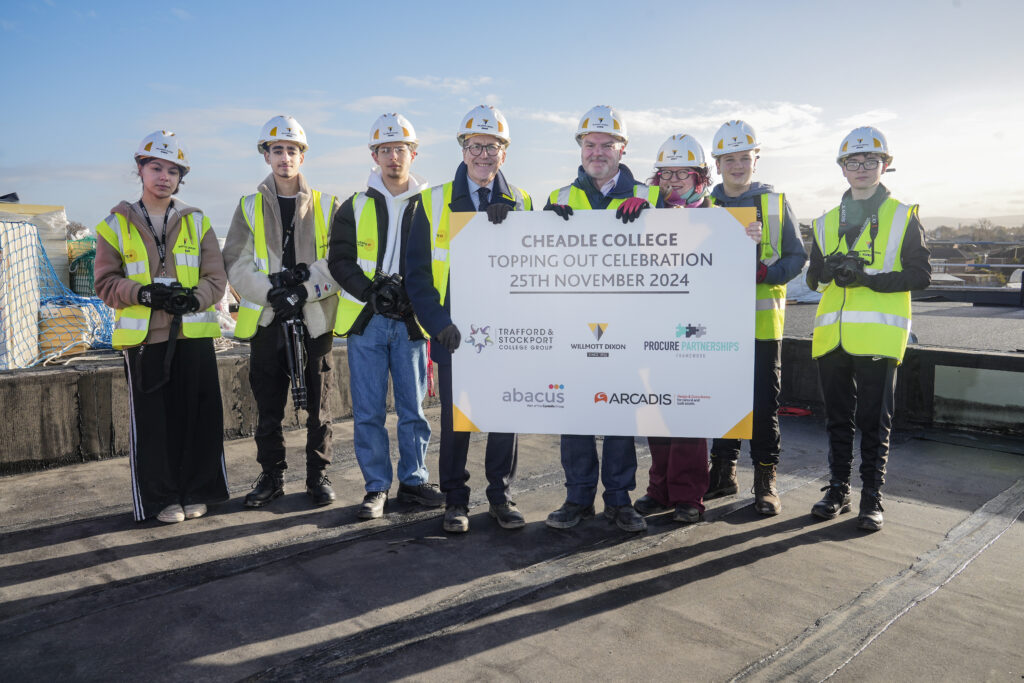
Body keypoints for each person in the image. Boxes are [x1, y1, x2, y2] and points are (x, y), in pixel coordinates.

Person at [405, 105, 532, 534]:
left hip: (508, 333)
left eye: (492, 147)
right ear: (463, 151)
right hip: (454, 334)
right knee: (457, 424)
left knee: (503, 420)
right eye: (475, 146)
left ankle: (501, 497)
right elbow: (418, 277)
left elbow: (539, 262)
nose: (483, 155)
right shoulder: (431, 201)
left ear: (504, 154)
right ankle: (455, 501)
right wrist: (438, 323)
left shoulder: (524, 201)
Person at [94, 130, 229, 524]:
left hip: (194, 335)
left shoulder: (197, 220)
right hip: (144, 341)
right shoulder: (114, 225)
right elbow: (105, 282)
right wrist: (143, 294)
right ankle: (162, 499)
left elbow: (215, 277)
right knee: (154, 424)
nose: (164, 176)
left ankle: (198, 491)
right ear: (140, 169)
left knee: (199, 418)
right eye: (156, 167)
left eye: (172, 170)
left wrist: (194, 299)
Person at [806, 126, 930, 531]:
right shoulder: (825, 221)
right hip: (832, 335)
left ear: (885, 166)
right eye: (853, 162)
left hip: (877, 334)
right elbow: (814, 282)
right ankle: (838, 489)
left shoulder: (903, 215)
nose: (861, 168)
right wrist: (826, 269)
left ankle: (872, 498)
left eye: (870, 161)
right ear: (842, 168)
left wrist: (869, 278)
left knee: (875, 421)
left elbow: (921, 275)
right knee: (837, 419)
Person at [542, 105, 659, 533]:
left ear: (622, 148)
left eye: (607, 144)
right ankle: (577, 498)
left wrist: (652, 221)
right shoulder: (558, 198)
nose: (598, 152)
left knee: (619, 417)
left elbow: (683, 246)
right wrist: (542, 228)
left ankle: (618, 498)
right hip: (574, 322)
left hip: (628, 325)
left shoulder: (650, 197)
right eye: (589, 144)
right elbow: (539, 262)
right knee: (575, 414)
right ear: (580, 148)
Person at [327, 113, 443, 520]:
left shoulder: (432, 205)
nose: (394, 157)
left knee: (413, 409)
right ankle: (376, 487)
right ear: (374, 155)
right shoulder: (353, 206)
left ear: (414, 153)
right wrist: (371, 292)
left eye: (401, 149)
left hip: (412, 321)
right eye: (385, 149)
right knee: (370, 411)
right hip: (367, 322)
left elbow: (439, 262)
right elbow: (339, 260)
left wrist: (415, 298)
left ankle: (413, 480)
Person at [222, 115, 340, 509]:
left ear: (302, 156)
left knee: (319, 406)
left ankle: (317, 475)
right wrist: (274, 293)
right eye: (277, 150)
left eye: (292, 150)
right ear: (266, 156)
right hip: (269, 320)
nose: (285, 157)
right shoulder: (249, 206)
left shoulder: (327, 204)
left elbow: (338, 260)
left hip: (314, 320)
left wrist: (304, 292)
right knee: (269, 407)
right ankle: (271, 476)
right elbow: (236, 261)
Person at [706, 120, 807, 515]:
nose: (737, 165)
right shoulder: (704, 206)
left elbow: (797, 257)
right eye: (728, 159)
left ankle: (765, 481)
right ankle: (723, 472)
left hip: (762, 325)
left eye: (744, 158)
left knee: (764, 406)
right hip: (713, 324)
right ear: (717, 163)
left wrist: (769, 273)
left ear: (756, 159)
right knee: (720, 401)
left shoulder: (776, 203)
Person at [633, 134, 713, 524]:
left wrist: (748, 239)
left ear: (700, 178)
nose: (674, 180)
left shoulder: (717, 219)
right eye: (666, 173)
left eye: (684, 172)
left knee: (688, 415)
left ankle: (689, 495)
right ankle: (659, 488)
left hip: (694, 331)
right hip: (651, 325)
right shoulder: (646, 212)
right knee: (655, 413)